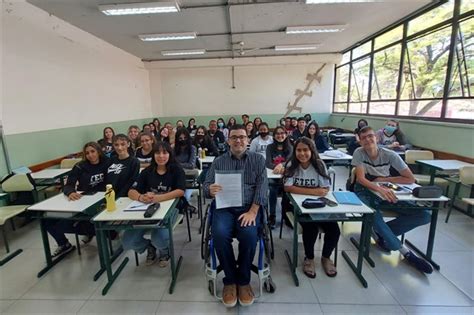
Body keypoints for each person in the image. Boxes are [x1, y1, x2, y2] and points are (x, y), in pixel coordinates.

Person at [352, 126, 433, 274]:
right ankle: (406, 252)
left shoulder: (390, 155)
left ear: (376, 138)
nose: (368, 140)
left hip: (386, 190)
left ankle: (383, 235)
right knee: (373, 215)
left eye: (370, 136)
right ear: (360, 142)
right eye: (363, 138)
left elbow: (410, 178)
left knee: (425, 215)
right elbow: (361, 179)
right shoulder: (359, 153)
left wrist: (385, 180)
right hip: (364, 191)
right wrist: (379, 188)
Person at [203, 124, 268, 308]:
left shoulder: (258, 160)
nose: (238, 140)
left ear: (248, 140)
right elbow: (206, 185)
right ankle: (230, 280)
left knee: (249, 236)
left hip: (249, 207)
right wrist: (210, 189)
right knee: (220, 235)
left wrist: (253, 212)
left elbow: (263, 188)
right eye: (234, 137)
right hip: (224, 208)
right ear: (228, 140)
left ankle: (244, 280)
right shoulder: (219, 161)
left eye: (242, 137)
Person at [283, 137, 339, 278]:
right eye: (299, 150)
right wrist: (313, 191)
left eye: (305, 150)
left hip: (320, 206)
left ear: (312, 151)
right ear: (294, 151)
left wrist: (302, 189)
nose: (302, 153)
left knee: (334, 230)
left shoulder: (319, 164)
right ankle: (309, 258)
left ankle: (326, 257)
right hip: (298, 207)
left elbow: (324, 189)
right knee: (310, 228)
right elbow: (287, 187)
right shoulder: (291, 165)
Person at [122, 141, 185, 267]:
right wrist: (141, 197)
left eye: (164, 153)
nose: (161, 156)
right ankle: (149, 246)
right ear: (153, 155)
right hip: (146, 209)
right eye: (157, 153)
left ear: (169, 154)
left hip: (170, 209)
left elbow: (180, 191)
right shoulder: (147, 171)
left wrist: (158, 198)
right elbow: (131, 191)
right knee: (128, 241)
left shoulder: (177, 170)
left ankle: (164, 251)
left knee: (159, 238)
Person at [46, 142, 110, 257]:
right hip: (83, 200)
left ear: (99, 151)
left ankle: (104, 233)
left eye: (93, 151)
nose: (90, 155)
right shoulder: (80, 166)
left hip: (102, 200)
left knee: (93, 224)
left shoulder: (108, 163)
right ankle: (64, 244)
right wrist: (70, 192)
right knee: (47, 220)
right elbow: (69, 184)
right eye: (87, 153)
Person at [265, 126, 293, 227]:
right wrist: (276, 167)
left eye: (282, 133)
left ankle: (286, 215)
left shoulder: (290, 147)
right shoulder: (270, 147)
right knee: (272, 189)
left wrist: (282, 166)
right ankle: (272, 215)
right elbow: (267, 163)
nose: (280, 135)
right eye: (277, 133)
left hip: (286, 175)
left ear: (286, 134)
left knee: (287, 191)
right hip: (274, 174)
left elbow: (290, 162)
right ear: (274, 135)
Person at [174, 128, 198, 206]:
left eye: (185, 138)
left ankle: (186, 206)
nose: (183, 140)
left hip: (188, 177)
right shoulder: (174, 149)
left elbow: (191, 165)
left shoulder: (192, 148)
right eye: (180, 138)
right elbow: (171, 163)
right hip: (176, 176)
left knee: (185, 196)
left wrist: (177, 164)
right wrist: (182, 164)